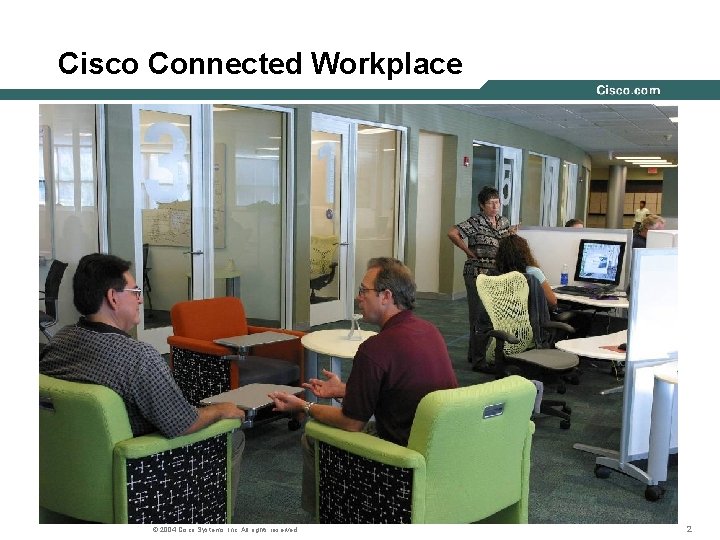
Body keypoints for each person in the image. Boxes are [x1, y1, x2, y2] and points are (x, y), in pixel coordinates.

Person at [39, 253, 247, 520]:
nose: (140, 299)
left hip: (70, 473)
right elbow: (183, 424)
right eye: (135, 292)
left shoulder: (59, 341)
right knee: (234, 436)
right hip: (140, 473)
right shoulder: (139, 358)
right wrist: (220, 410)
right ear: (113, 298)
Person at [267, 257, 458, 516]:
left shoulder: (375, 348)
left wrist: (304, 406)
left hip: (402, 455)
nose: (358, 297)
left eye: (363, 290)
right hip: (439, 446)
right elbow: (403, 387)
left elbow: (351, 423)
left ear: (386, 296)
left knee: (312, 437)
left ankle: (325, 516)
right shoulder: (429, 331)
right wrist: (347, 390)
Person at [447, 185, 517, 372]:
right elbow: (452, 233)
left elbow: (505, 243)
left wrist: (511, 234)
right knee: (478, 316)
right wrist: (467, 251)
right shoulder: (476, 221)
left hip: (496, 273)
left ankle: (477, 354)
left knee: (491, 316)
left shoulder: (503, 221)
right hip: (477, 272)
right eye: (490, 203)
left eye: (497, 202)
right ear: (481, 205)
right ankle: (478, 361)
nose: (495, 207)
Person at [495, 235, 557, 309]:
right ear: (525, 253)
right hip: (532, 316)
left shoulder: (496, 274)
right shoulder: (533, 272)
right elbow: (552, 301)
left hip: (506, 315)